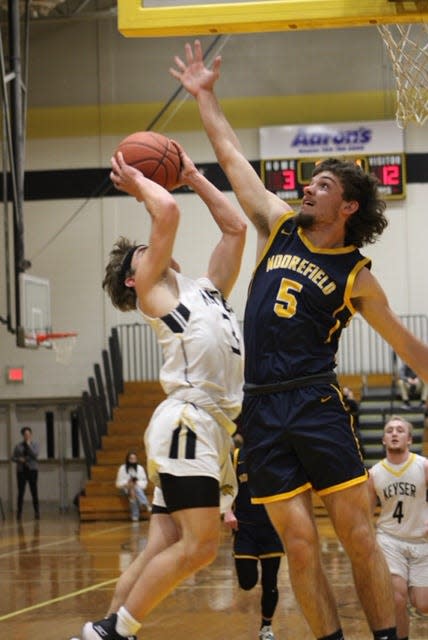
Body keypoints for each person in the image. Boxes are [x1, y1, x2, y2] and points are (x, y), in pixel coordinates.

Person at [169, 40, 428, 640]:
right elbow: (232, 155)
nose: (308, 189)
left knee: (357, 533)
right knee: (300, 547)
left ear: (349, 204)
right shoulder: (280, 227)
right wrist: (206, 96)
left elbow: (408, 347)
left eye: (322, 186)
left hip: (314, 401)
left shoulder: (357, 276)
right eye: (309, 184)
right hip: (260, 406)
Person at [75, 141, 246, 640]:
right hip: (188, 423)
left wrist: (193, 174)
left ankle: (102, 631)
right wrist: (141, 185)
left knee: (161, 547)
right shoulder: (153, 292)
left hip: (211, 429)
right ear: (133, 278)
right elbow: (166, 210)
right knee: (201, 547)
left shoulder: (207, 287)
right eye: (140, 253)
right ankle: (115, 631)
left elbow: (234, 227)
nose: (152, 250)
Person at [368, 415, 428, 640]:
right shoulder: (374, 474)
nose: (394, 433)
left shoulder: (423, 465)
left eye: (400, 430)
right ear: (383, 439)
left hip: (421, 540)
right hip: (389, 539)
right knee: (397, 598)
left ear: (409, 440)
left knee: (423, 604)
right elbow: (365, 512)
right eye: (390, 430)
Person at [224, 434, 284, 640]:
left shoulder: (277, 455)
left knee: (270, 583)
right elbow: (226, 486)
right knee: (247, 582)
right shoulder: (236, 456)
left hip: (272, 528)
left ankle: (266, 627)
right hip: (245, 529)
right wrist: (227, 511)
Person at [12, 426, 40, 520]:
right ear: (23, 435)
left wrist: (29, 445)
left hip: (32, 470)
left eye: (28, 434)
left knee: (34, 491)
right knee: (21, 492)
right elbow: (13, 457)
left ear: (31, 435)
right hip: (21, 471)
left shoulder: (35, 444)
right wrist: (18, 459)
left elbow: (35, 455)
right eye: (25, 434)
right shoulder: (18, 446)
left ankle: (37, 512)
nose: (27, 436)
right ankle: (19, 513)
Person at [116, 451, 151, 522]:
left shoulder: (140, 468)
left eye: (134, 459)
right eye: (131, 459)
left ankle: (135, 515)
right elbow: (118, 483)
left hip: (137, 488)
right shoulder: (122, 468)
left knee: (133, 490)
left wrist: (136, 483)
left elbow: (144, 482)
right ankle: (145, 503)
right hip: (124, 489)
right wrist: (126, 483)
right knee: (132, 488)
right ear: (128, 459)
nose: (133, 461)